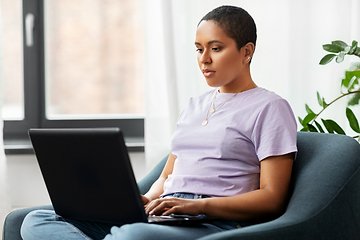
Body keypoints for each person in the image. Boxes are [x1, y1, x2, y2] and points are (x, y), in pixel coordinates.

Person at [20, 5, 297, 240]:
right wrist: (147, 200)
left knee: (131, 236)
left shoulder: (270, 107)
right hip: (167, 213)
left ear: (246, 51)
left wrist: (195, 207)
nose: (204, 59)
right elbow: (166, 177)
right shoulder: (194, 105)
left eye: (216, 48)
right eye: (199, 49)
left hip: (212, 222)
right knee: (36, 221)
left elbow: (272, 198)